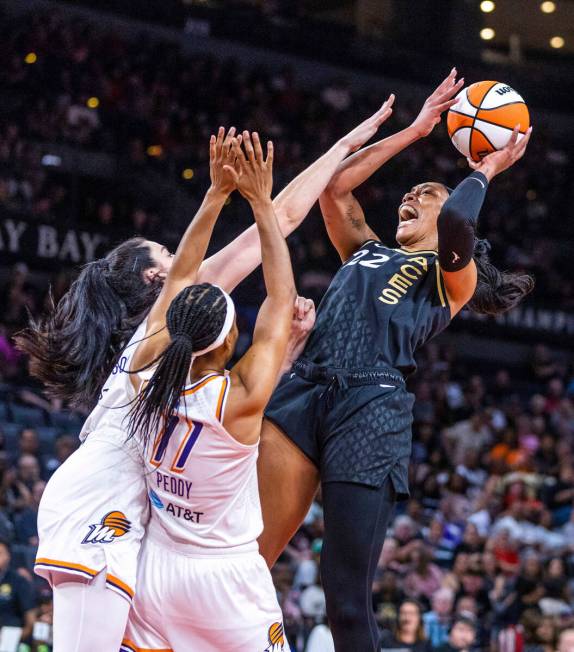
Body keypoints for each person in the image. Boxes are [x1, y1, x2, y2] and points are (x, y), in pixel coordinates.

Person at [26, 102, 396, 651]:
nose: (187, 262)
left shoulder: (159, 355)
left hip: (145, 531)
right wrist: (338, 148)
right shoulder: (156, 341)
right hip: (98, 508)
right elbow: (283, 221)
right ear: (160, 276)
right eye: (173, 257)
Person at [258, 69, 534, 651]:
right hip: (304, 389)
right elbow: (334, 190)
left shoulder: (449, 279)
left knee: (347, 602)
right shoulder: (365, 250)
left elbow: (460, 219)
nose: (409, 196)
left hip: (370, 408)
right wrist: (415, 130)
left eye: (425, 194)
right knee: (247, 554)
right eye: (410, 192)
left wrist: (483, 169)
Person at [122, 133, 294, 650]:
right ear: (229, 340)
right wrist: (261, 203)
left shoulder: (142, 372)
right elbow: (280, 298)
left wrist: (215, 194)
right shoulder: (239, 398)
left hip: (156, 568)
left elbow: (178, 278)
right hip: (226, 580)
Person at [0, 540, 35, 645]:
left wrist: (12, 640)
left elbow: (30, 620)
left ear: (8, 556)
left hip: (10, 635)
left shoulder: (18, 581)